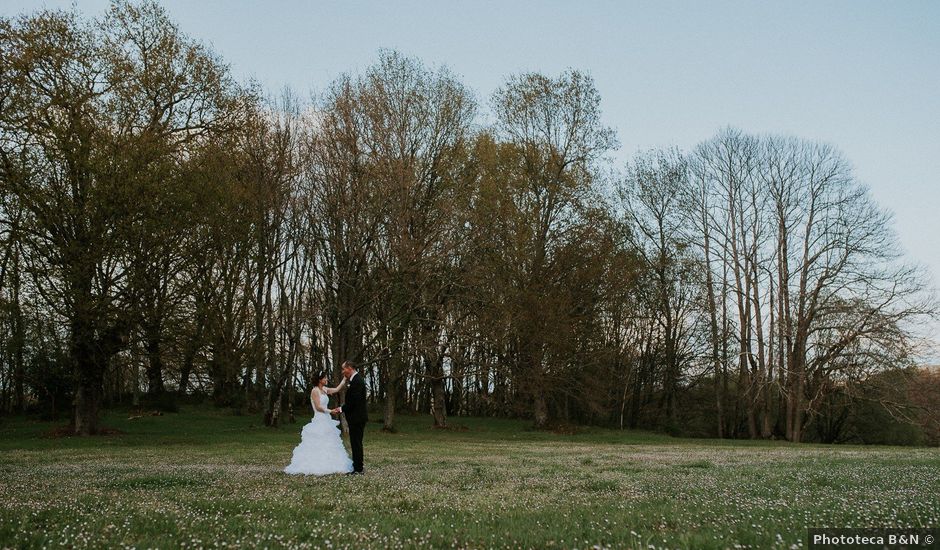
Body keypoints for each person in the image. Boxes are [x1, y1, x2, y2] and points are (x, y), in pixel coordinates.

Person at [283, 371, 352, 475]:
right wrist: (330, 411)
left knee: (329, 442)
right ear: (320, 380)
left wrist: (344, 379)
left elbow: (337, 389)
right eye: (325, 378)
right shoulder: (315, 391)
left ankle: (331, 463)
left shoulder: (324, 389)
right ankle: (316, 464)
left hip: (327, 419)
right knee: (319, 442)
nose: (326, 380)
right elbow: (318, 407)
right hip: (319, 419)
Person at [331, 360, 367, 475]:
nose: (342, 372)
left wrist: (341, 409)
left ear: (350, 368)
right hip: (356, 417)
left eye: (344, 369)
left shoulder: (357, 381)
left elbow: (353, 402)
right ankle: (357, 466)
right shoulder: (354, 380)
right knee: (355, 442)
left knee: (356, 443)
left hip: (357, 418)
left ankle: (358, 469)